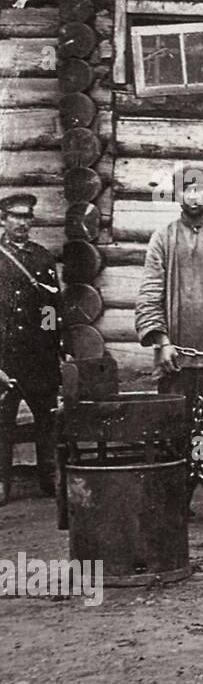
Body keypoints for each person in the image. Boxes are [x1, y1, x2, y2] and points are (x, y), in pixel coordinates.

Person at [135, 165, 203, 523]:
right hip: (176, 356)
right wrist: (162, 341)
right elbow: (150, 291)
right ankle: (176, 498)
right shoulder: (163, 237)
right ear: (178, 195)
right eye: (187, 190)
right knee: (175, 429)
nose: (193, 196)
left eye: (199, 190)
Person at [0, 193, 61, 507]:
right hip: (5, 358)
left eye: (27, 217)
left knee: (46, 419)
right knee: (2, 422)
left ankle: (48, 476)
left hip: (39, 358)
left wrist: (52, 346)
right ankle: (1, 482)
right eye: (15, 216)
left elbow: (50, 308)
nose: (22, 223)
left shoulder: (42, 258)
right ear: (3, 219)